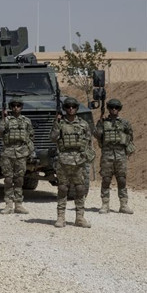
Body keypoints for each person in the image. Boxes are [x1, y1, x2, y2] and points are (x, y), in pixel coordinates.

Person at [50, 97, 93, 228]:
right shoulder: (60, 123)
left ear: (76, 108)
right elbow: (53, 138)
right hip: (63, 160)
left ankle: (80, 217)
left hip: (79, 161)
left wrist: (88, 156)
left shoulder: (83, 124)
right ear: (65, 109)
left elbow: (88, 142)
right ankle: (61, 217)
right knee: (63, 188)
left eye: (73, 107)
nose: (71, 109)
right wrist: (56, 122)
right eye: (68, 107)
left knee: (80, 189)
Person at [94, 98, 135, 214]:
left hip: (120, 154)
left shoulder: (124, 123)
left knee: (121, 179)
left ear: (119, 109)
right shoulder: (103, 122)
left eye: (116, 107)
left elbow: (130, 136)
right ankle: (105, 204)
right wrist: (100, 123)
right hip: (107, 154)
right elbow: (97, 135)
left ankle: (123, 204)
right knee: (106, 179)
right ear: (108, 108)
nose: (114, 109)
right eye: (111, 107)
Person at [0, 97, 34, 214]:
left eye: (18, 106)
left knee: (19, 179)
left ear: (21, 107)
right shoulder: (6, 120)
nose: (16, 108)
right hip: (8, 152)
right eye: (13, 106)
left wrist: (29, 150)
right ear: (10, 107)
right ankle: (8, 204)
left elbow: (31, 136)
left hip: (21, 153)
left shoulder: (26, 121)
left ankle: (18, 204)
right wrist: (3, 118)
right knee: (8, 179)